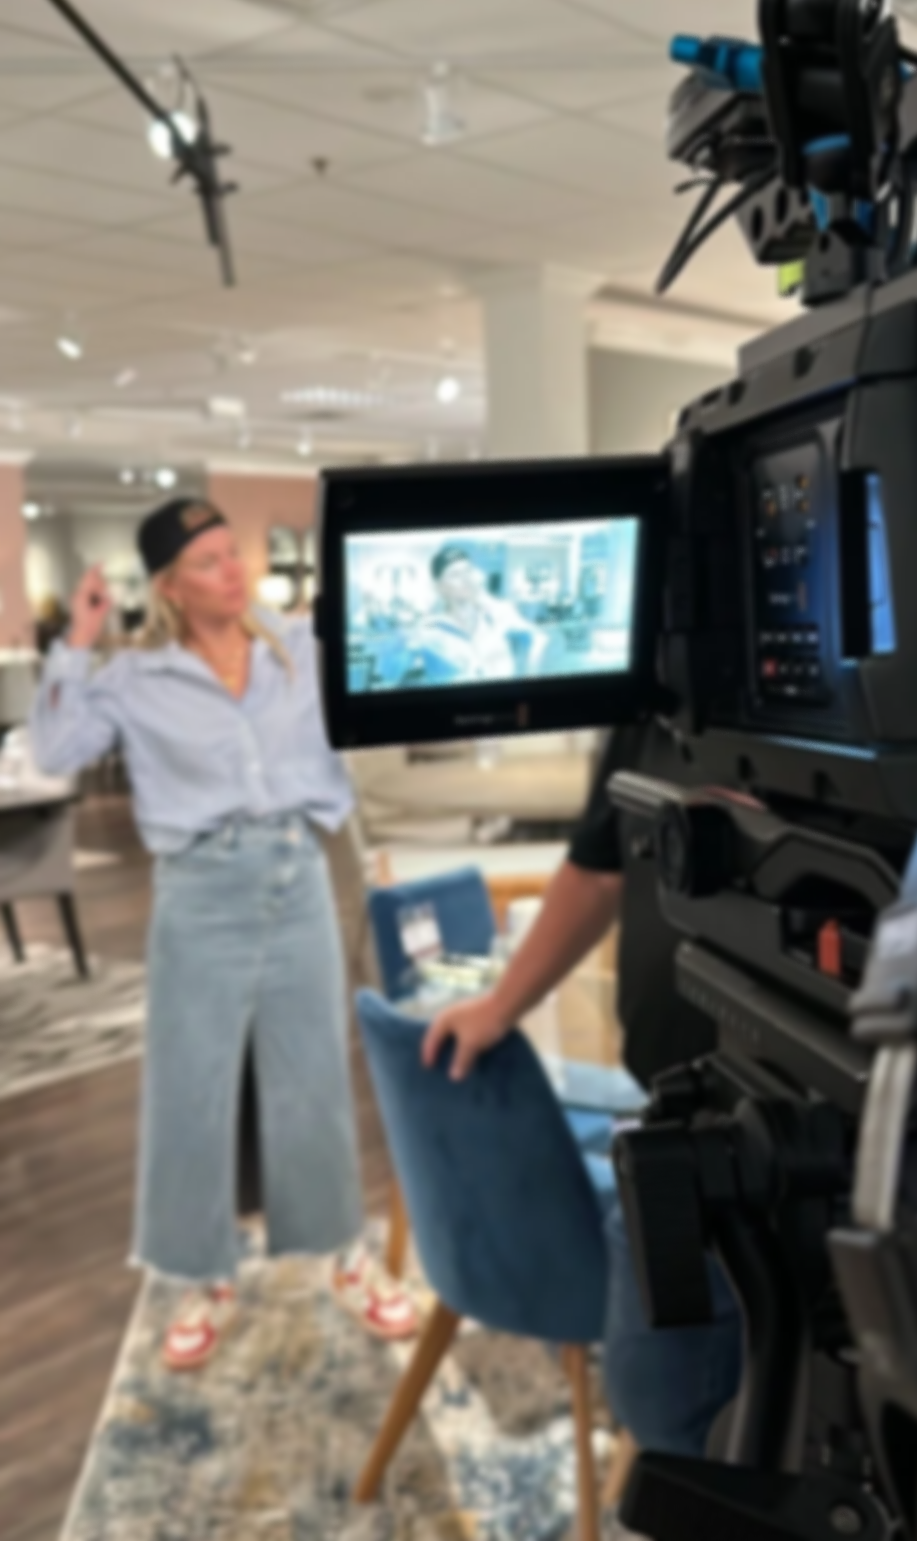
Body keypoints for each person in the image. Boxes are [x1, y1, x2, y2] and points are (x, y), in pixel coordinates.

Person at [29, 497, 418, 1370]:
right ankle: (198, 1276)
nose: (232, 570)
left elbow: (381, 681)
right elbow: (54, 751)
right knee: (190, 1087)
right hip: (199, 887)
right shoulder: (135, 676)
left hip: (297, 874)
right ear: (168, 586)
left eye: (230, 552)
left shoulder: (299, 646)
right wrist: (78, 639)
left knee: (314, 1073)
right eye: (206, 562)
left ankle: (342, 1257)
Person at [422, 719, 743, 1456]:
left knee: (671, 1403)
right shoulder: (651, 693)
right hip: (671, 1110)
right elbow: (597, 868)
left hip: (825, 1132)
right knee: (657, 1401)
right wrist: (501, 1006)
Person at [405, 544, 545, 684]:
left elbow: (539, 639)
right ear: (439, 587)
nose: (466, 579)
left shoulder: (497, 616)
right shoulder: (429, 631)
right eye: (455, 575)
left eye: (468, 571)